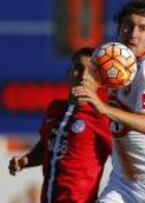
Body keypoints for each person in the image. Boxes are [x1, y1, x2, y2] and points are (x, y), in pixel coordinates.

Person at [72, 0, 145, 202]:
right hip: (123, 181)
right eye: (128, 25)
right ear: (119, 29)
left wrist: (102, 108)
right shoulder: (119, 60)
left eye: (143, 28)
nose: (133, 34)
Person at [8, 47, 112, 203]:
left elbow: (123, 163)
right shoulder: (55, 108)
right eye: (78, 69)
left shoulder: (103, 119)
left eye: (91, 72)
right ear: (68, 74)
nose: (83, 76)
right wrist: (26, 160)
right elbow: (46, 146)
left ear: (99, 82)